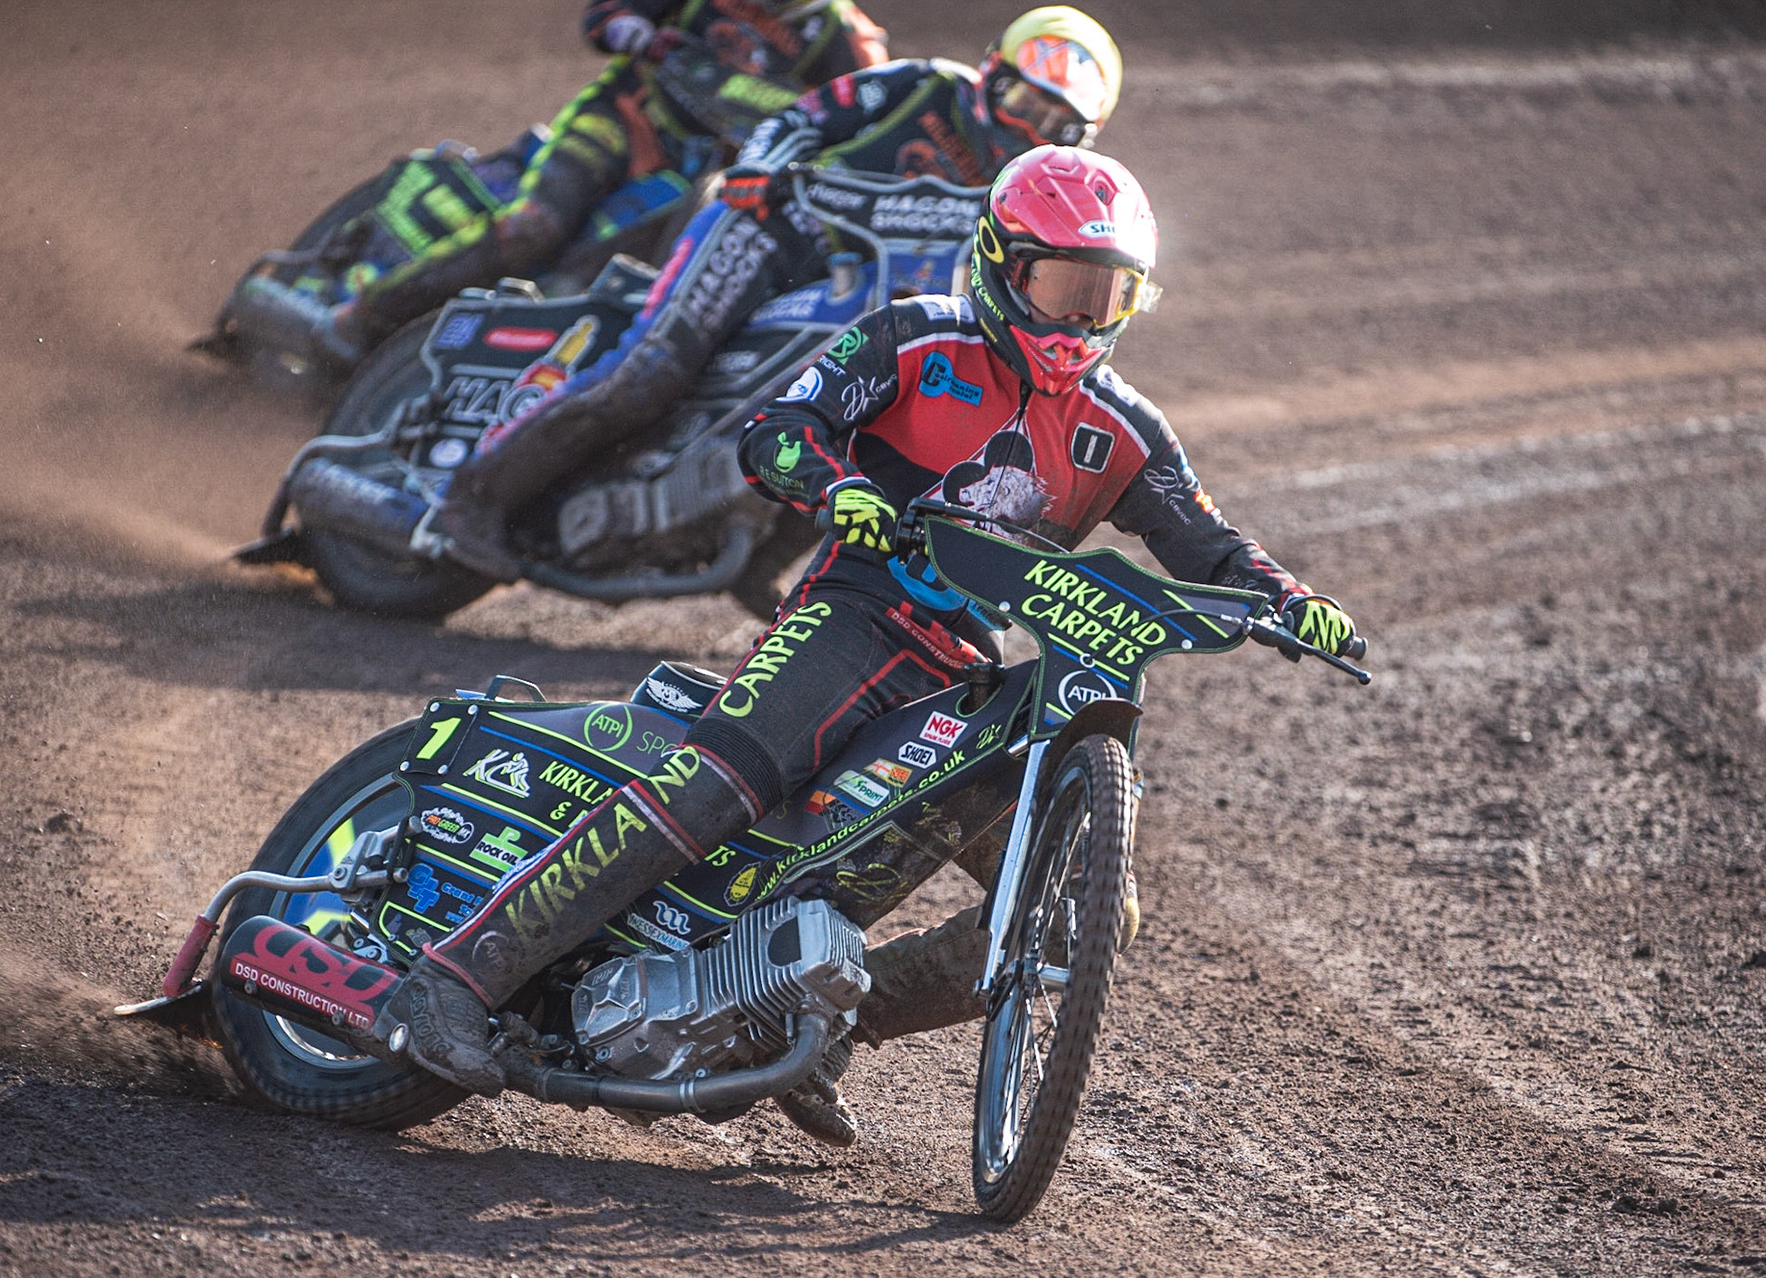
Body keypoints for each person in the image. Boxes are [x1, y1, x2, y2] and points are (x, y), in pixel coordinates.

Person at [372, 147, 1361, 1144]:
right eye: (1060, 287)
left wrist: (1291, 600)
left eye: (1105, 299)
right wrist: (836, 483)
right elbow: (778, 429)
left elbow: (1213, 545)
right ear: (997, 261)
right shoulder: (915, 339)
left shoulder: (1126, 432)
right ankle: (456, 979)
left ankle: (828, 1027)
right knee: (714, 788)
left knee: (1080, 911)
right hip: (852, 614)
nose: (1075, 321)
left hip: (968, 669)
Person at [413, 6, 1126, 582]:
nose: (1029, 124)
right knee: (650, 371)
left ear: (1080, 136)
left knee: (878, 419)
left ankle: (770, 561)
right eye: (1025, 98)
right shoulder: (924, 85)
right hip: (766, 228)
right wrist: (758, 166)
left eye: (1055, 121)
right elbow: (802, 118)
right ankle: (468, 499)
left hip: (856, 290)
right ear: (993, 71)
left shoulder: (1026, 191)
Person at [322, 0, 891, 361]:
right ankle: (364, 313)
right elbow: (605, 15)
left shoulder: (842, 39)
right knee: (535, 226)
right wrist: (639, 35)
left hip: (715, 176)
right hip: (627, 118)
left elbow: (853, 127)